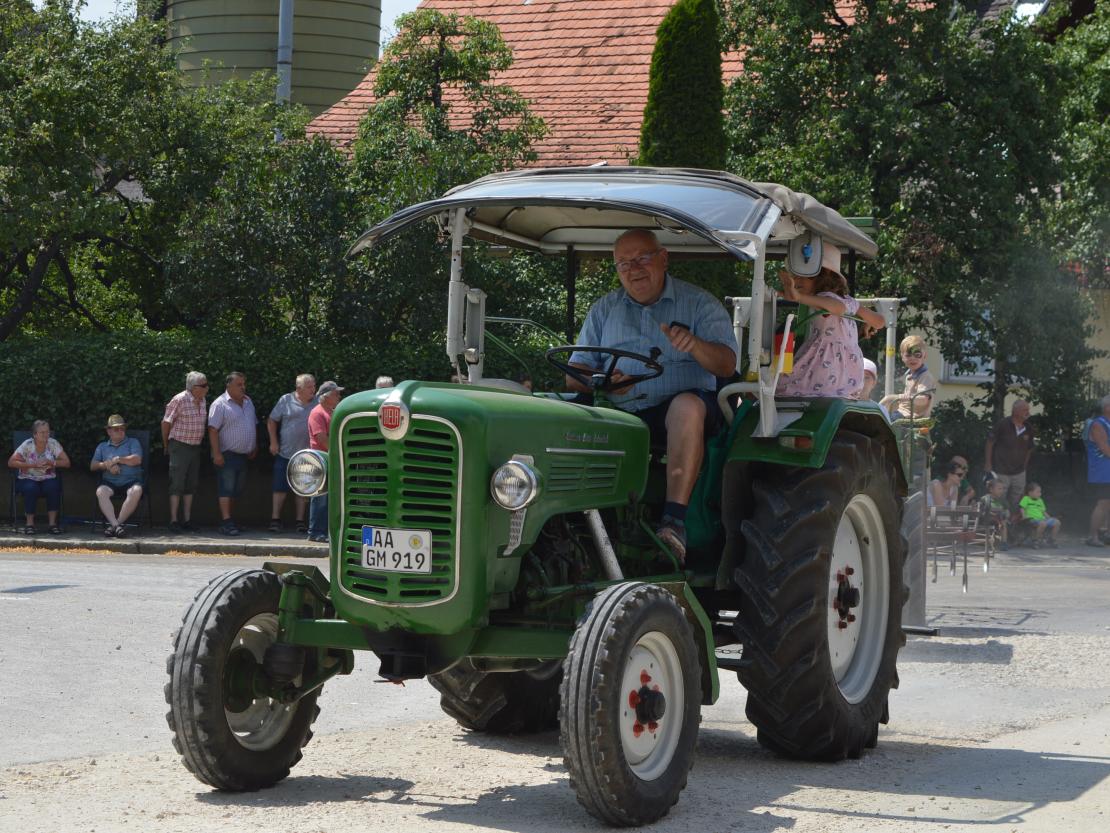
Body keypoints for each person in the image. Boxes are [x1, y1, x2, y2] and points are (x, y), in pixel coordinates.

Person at [565, 229, 736, 562]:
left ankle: (674, 523)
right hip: (621, 413)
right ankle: (574, 523)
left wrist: (696, 345)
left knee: (686, 406)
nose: (634, 269)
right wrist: (604, 381)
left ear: (663, 258)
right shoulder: (604, 309)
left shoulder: (699, 304)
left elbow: (727, 365)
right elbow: (576, 374)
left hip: (682, 414)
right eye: (623, 263)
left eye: (642, 258)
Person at [775, 246, 884, 398]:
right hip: (846, 372)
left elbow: (836, 308)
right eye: (795, 277)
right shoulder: (849, 301)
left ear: (824, 275)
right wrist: (867, 321)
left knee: (778, 387)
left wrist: (798, 297)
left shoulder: (825, 298)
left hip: (824, 366)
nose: (796, 281)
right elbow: (879, 321)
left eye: (803, 276)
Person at [208, 371, 258, 536]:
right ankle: (226, 521)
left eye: (243, 384)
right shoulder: (220, 404)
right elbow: (213, 430)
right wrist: (216, 454)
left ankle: (230, 521)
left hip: (243, 455)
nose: (243, 387)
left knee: (236, 490)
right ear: (228, 385)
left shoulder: (248, 401)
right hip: (227, 454)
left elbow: (253, 424)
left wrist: (253, 445)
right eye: (239, 384)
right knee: (226, 489)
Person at [266, 373, 317, 533]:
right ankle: (275, 520)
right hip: (285, 453)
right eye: (309, 386)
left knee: (303, 488)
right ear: (299, 388)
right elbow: (272, 420)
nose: (313, 389)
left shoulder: (317, 402)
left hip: (306, 456)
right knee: (279, 488)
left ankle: (300, 521)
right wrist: (273, 442)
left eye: (314, 386)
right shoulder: (285, 400)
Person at [162, 371, 208, 532]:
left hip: (195, 446)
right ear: (193, 387)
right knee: (177, 483)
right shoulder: (179, 399)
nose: (206, 388)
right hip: (180, 445)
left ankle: (187, 520)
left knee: (191, 484)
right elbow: (166, 422)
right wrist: (166, 444)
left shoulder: (203, 400)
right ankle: (174, 520)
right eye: (203, 385)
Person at [7, 420, 70, 534]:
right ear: (35, 434)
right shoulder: (27, 445)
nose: (46, 435)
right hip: (28, 477)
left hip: (48, 477)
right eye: (42, 432)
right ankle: (29, 524)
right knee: (31, 488)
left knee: (53, 486)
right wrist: (32, 465)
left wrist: (52, 463)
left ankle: (52, 524)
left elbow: (66, 462)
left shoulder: (53, 444)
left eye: (47, 432)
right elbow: (11, 462)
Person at [91, 414, 143, 538]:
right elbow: (93, 465)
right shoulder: (102, 446)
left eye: (122, 428)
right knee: (101, 491)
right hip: (110, 482)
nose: (120, 431)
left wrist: (118, 459)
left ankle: (114, 525)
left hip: (131, 481)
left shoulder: (133, 442)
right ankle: (117, 526)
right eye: (116, 429)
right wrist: (107, 465)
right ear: (109, 431)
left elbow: (137, 460)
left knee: (137, 490)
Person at [306, 380, 343, 543]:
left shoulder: (332, 411)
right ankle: (314, 532)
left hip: (329, 459)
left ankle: (325, 531)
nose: (339, 396)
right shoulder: (317, 413)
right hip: (321, 460)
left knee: (329, 497)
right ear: (326, 397)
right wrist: (336, 453)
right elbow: (321, 437)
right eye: (336, 394)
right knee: (320, 496)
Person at [984, 400, 1035, 510]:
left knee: (1018, 500)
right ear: (1015, 411)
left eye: (1028, 410)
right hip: (1001, 470)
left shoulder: (1029, 428)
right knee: (999, 498)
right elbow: (990, 442)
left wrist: (1024, 466)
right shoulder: (1003, 424)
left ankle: (1014, 525)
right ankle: (999, 524)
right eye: (1025, 410)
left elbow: (1030, 448)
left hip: (1019, 472)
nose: (1028, 412)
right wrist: (988, 463)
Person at [880, 335, 936, 420]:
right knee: (882, 416)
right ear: (902, 357)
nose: (912, 358)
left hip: (912, 417)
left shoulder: (925, 377)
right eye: (908, 355)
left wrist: (902, 397)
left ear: (924, 356)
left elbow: (923, 400)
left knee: (885, 423)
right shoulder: (909, 375)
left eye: (917, 355)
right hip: (903, 413)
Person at [1084, 394, 1110, 547]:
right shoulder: (1098, 424)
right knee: (1103, 503)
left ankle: (1107, 534)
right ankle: (1092, 536)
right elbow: (1105, 449)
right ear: (1107, 408)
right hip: (1102, 471)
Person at [1018, 481, 1061, 548]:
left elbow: (1043, 511)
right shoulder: (1026, 499)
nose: (1040, 494)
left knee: (1057, 522)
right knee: (1043, 523)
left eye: (1040, 492)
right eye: (1037, 492)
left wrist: (1049, 518)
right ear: (1030, 493)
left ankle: (1052, 539)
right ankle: (1036, 540)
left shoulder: (1040, 500)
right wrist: (1024, 516)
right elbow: (1022, 508)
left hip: (1042, 519)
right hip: (1031, 519)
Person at [980, 478, 1010, 551]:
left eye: (1002, 489)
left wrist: (1006, 515)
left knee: (1003, 522)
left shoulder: (1003, 500)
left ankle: (1004, 542)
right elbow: (981, 510)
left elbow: (1007, 511)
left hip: (1000, 519)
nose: (1001, 491)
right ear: (991, 490)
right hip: (987, 518)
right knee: (997, 518)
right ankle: (993, 540)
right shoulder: (985, 498)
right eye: (999, 489)